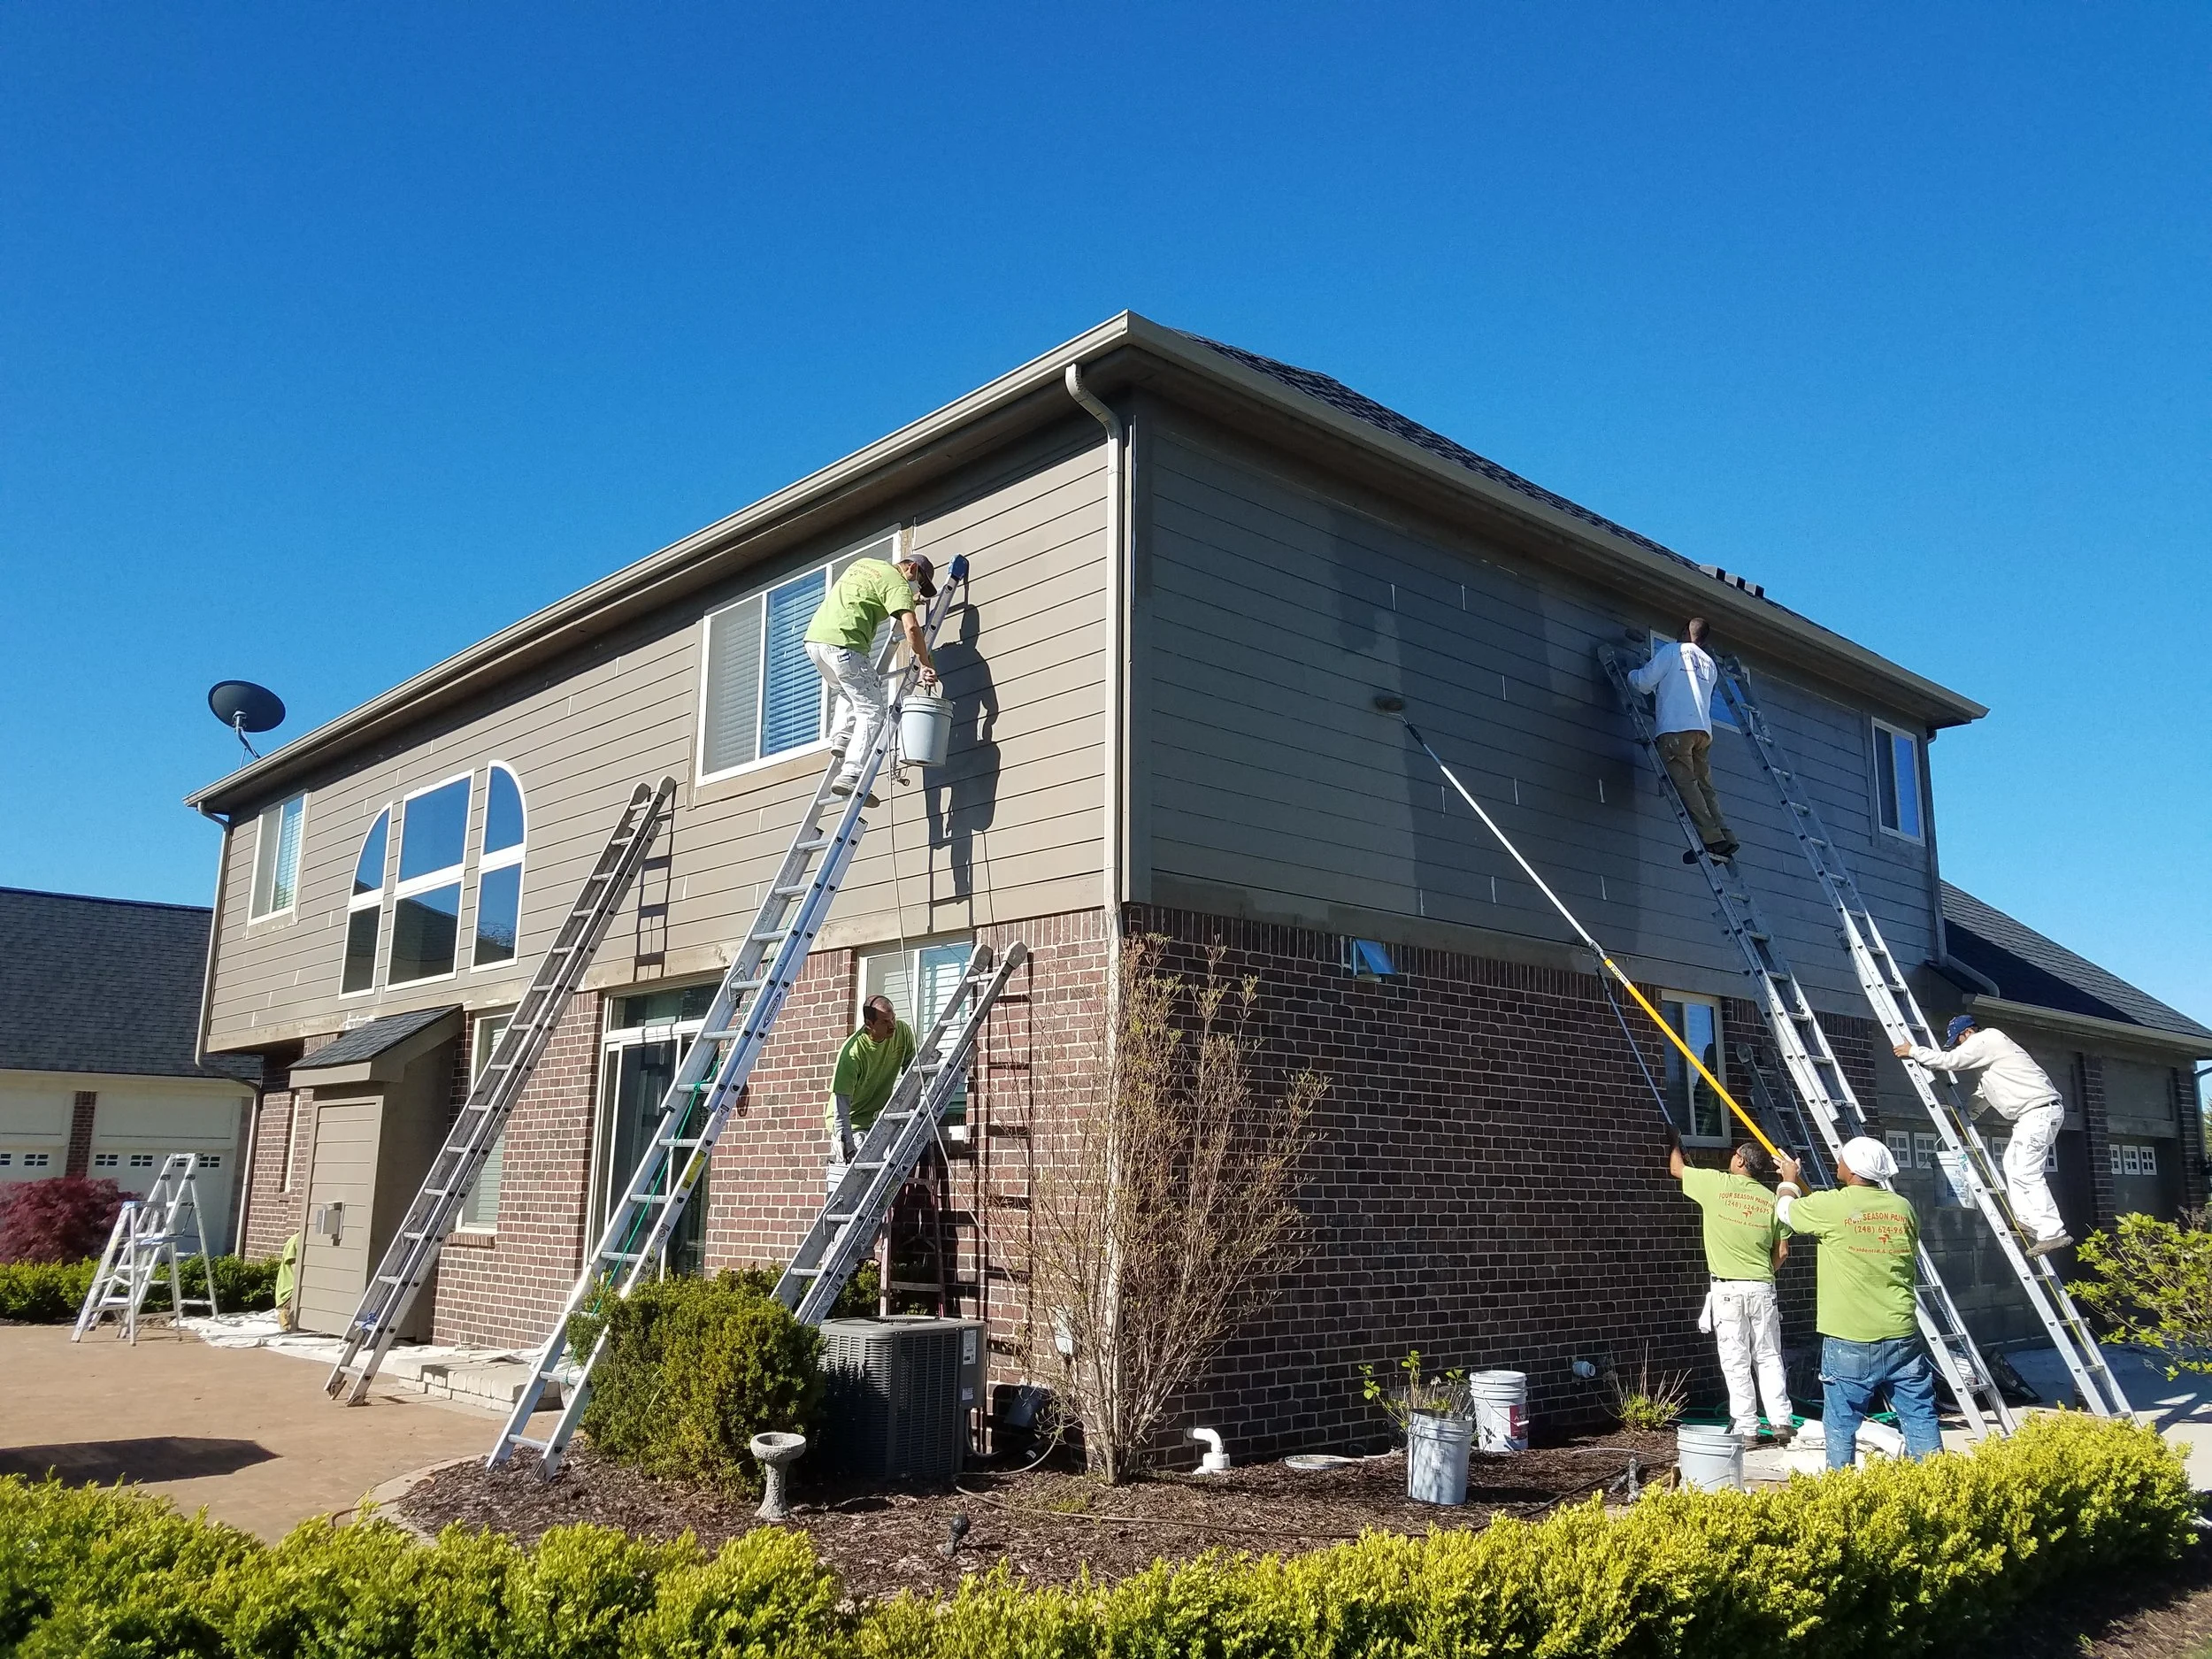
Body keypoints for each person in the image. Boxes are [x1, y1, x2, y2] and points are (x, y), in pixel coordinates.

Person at [1772, 1136, 1944, 1469]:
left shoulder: (1832, 1206)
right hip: (1900, 1332)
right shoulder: (1901, 1207)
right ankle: (1936, 1483)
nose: (1838, 1163)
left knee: (1841, 1422)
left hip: (1849, 1336)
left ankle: (1843, 1491)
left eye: (1841, 1159)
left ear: (1851, 1170)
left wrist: (1789, 1180)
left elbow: (1785, 1211)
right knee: (1919, 1414)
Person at [1896, 1015, 2071, 1257]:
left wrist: (1913, 1051)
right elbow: (1984, 1094)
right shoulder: (1992, 1062)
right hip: (2034, 1115)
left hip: (2038, 1113)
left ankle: (2052, 1232)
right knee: (2012, 1165)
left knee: (2026, 1172)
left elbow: (1950, 1061)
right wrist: (1965, 1118)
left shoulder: (1988, 1038)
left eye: (1958, 1041)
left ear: (1967, 1033)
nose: (1959, 1046)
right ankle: (2028, 1221)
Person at [1668, 1129, 1793, 1448]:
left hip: (1727, 1290)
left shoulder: (1715, 1184)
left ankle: (1748, 1428)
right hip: (1762, 1287)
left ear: (1739, 1160)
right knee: (1768, 1356)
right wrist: (1763, 1274)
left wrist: (1673, 1142)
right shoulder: (1771, 1200)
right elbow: (1782, 1252)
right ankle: (1781, 1421)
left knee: (1736, 1360)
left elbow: (1676, 1169)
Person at [803, 550, 941, 799]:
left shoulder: (865, 565)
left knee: (849, 689)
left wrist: (911, 599)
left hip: (816, 643)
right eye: (918, 582)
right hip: (846, 646)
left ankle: (842, 739)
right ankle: (851, 774)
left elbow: (872, 593)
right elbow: (911, 627)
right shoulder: (898, 584)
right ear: (911, 569)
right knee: (872, 710)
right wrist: (924, 662)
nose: (914, 588)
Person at [1627, 618, 1739, 864]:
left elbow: (1644, 682)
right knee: (1704, 785)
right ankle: (1726, 835)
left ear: (1685, 633)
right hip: (1702, 730)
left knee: (1686, 784)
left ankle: (1711, 839)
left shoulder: (1672, 651)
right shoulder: (1709, 663)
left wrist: (1630, 675)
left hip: (1676, 729)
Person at [824, 995, 918, 1194]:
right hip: (851, 1122)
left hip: (878, 1119)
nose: (892, 1026)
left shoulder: (902, 1032)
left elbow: (914, 1074)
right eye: (885, 1022)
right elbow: (840, 1110)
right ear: (869, 1023)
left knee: (883, 1183)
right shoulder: (852, 1054)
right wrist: (848, 1148)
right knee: (856, 1187)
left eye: (893, 1018)